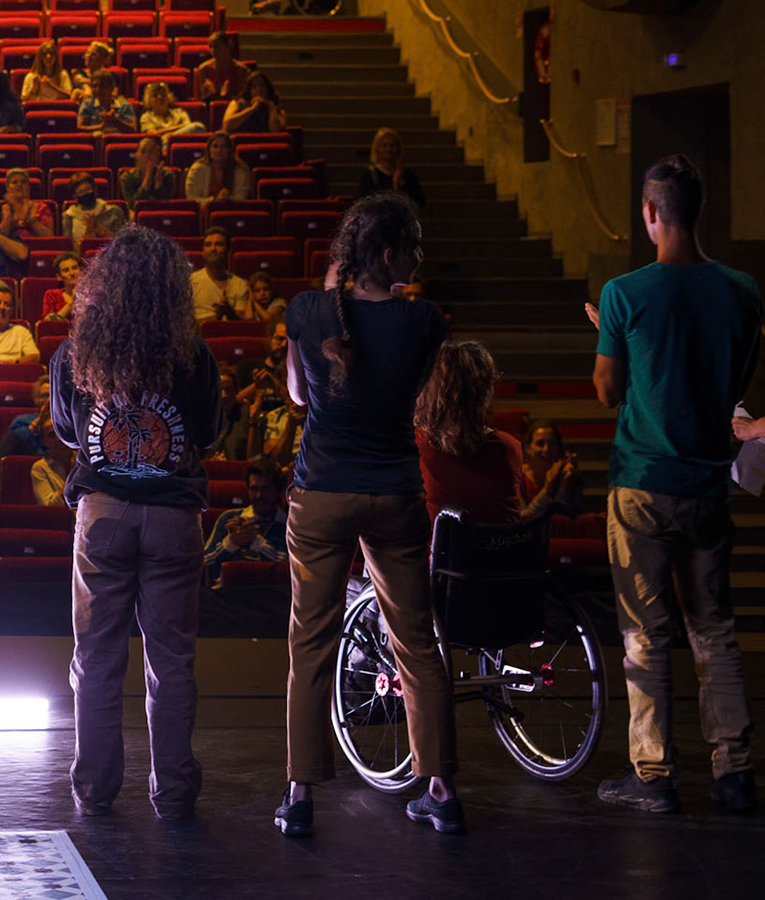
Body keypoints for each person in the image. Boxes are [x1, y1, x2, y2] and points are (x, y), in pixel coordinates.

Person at [276, 192, 459, 838]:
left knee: (310, 642)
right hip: (395, 493)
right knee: (417, 642)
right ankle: (441, 789)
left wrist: (332, 298)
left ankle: (300, 795)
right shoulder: (425, 320)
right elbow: (414, 392)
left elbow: (300, 395)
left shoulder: (307, 311)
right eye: (412, 246)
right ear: (387, 253)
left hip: (322, 492)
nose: (420, 257)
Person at [588, 155, 760, 815]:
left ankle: (654, 774)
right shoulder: (742, 290)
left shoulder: (623, 294)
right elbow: (732, 379)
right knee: (713, 628)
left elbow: (608, 391)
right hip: (707, 484)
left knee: (645, 632)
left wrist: (616, 339)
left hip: (642, 484)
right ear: (699, 209)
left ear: (650, 212)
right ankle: (734, 770)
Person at [50, 225, 218, 816]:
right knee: (170, 659)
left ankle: (94, 788)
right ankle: (173, 792)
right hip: (174, 513)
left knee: (96, 656)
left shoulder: (76, 352)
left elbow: (68, 431)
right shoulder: (193, 354)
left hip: (103, 513)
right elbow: (207, 433)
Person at [416, 341, 574, 524]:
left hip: (442, 542)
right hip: (499, 543)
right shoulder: (509, 447)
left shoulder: (419, 445)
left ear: (431, 390)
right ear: (486, 391)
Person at [202, 458, 288, 587]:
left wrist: (255, 542)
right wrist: (231, 543)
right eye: (254, 489)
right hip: (227, 593)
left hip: (272, 594)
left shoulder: (289, 525)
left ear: (279, 491)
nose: (259, 496)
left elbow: (291, 568)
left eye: (266, 489)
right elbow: (202, 564)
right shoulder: (230, 518)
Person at [360, 127, 425, 210]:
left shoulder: (408, 174)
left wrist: (399, 183)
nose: (388, 149)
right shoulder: (370, 174)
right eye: (384, 145)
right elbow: (366, 202)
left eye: (392, 146)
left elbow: (419, 202)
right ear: (377, 148)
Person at [185, 133, 254, 204]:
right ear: (209, 149)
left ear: (229, 150)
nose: (219, 150)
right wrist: (214, 200)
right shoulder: (197, 170)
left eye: (224, 147)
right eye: (215, 146)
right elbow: (192, 199)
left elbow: (241, 199)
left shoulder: (240, 170)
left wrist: (226, 200)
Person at [119, 135, 179, 209]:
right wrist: (147, 179)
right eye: (143, 152)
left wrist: (158, 185)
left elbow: (167, 204)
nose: (147, 156)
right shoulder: (127, 177)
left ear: (157, 155)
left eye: (151, 152)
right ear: (137, 155)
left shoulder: (167, 175)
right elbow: (133, 205)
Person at [64, 174, 123, 249]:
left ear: (94, 189)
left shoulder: (113, 211)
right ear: (75, 196)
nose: (86, 194)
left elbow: (122, 243)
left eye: (88, 189)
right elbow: (70, 248)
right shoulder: (70, 215)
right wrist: (88, 231)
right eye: (81, 192)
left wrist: (99, 229)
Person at [223, 72, 289, 135]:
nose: (259, 89)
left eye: (262, 86)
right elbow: (227, 124)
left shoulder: (275, 106)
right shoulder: (237, 103)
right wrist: (252, 109)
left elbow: (276, 131)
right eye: (254, 86)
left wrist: (271, 106)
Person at [192, 32, 249, 104]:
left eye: (217, 46)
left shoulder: (240, 69)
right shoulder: (204, 69)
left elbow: (243, 95)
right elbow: (200, 99)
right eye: (211, 47)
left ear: (227, 46)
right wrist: (207, 93)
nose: (213, 50)